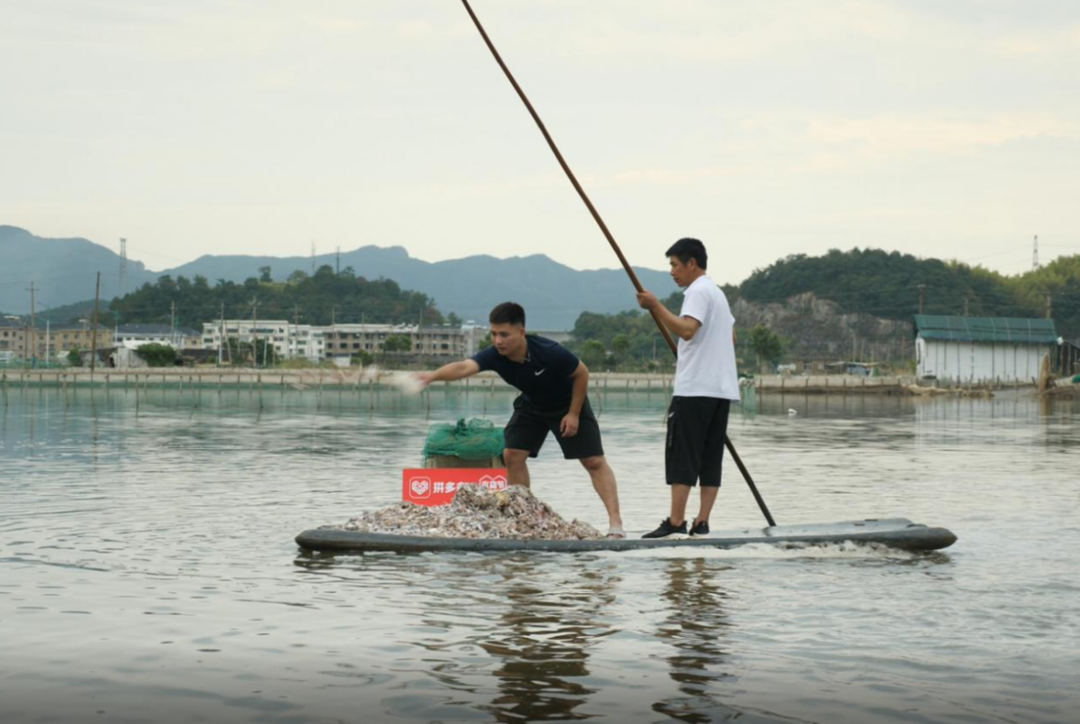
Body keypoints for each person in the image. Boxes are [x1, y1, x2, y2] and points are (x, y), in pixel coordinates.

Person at [417, 302, 625, 538]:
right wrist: (431, 377)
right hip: (532, 404)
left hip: (568, 403)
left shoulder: (549, 351)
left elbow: (581, 373)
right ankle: (522, 515)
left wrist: (574, 413)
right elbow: (464, 367)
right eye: (494, 334)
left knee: (593, 461)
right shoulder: (495, 356)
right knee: (512, 454)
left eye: (504, 334)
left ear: (521, 332)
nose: (498, 341)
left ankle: (616, 524)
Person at [635, 238, 740, 539]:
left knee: (682, 455)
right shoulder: (717, 293)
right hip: (720, 390)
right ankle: (702, 522)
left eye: (675, 265)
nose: (672, 272)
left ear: (691, 263)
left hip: (695, 390)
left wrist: (655, 306)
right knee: (710, 457)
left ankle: (677, 522)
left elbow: (687, 330)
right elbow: (729, 337)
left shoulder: (697, 292)